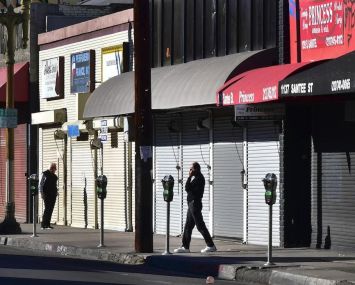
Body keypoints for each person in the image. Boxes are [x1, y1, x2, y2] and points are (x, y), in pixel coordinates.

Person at [174, 162, 217, 253]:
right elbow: (188, 188)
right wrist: (190, 177)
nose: (190, 171)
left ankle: (211, 245)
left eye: (191, 169)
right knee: (188, 226)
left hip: (195, 204)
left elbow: (187, 188)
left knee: (200, 225)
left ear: (196, 169)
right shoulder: (196, 178)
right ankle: (185, 247)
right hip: (191, 204)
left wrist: (189, 177)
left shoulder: (199, 178)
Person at [39, 162, 58, 230]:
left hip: (53, 195)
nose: (55, 169)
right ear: (51, 168)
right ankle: (43, 225)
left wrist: (56, 192)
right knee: (47, 209)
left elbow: (54, 185)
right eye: (54, 168)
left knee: (50, 209)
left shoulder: (54, 176)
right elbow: (41, 184)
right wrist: (41, 193)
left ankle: (48, 224)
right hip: (46, 194)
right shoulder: (45, 174)